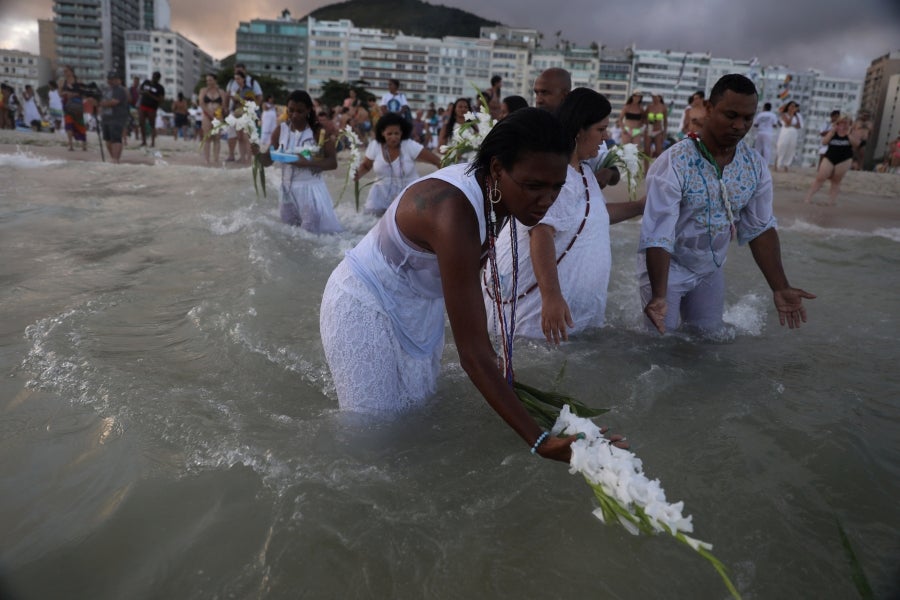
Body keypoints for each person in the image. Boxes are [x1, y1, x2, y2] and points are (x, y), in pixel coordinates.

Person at [319, 108, 617, 461]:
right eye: (534, 186)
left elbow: (472, 308)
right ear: (496, 169)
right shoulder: (452, 212)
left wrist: (500, 375)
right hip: (364, 302)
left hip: (419, 303)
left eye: (556, 187)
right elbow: (472, 353)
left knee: (414, 418)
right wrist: (541, 441)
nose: (546, 201)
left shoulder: (503, 195)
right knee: (373, 439)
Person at [639, 74, 815, 335]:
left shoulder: (754, 166)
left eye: (747, 118)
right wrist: (659, 296)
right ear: (709, 109)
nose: (739, 126)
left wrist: (780, 287)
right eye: (731, 115)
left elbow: (760, 229)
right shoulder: (674, 163)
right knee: (658, 349)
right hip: (667, 269)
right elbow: (658, 235)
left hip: (710, 268)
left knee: (709, 341)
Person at [484, 89, 644, 344]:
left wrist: (640, 207)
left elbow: (594, 217)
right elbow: (541, 233)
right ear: (580, 130)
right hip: (537, 315)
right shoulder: (560, 177)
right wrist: (551, 297)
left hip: (566, 315)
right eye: (600, 130)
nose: (605, 138)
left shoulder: (582, 171)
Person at [250, 90, 343, 234]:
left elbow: (332, 162)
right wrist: (257, 154)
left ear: (308, 110)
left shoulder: (318, 131)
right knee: (290, 236)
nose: (294, 115)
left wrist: (308, 163)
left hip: (310, 191)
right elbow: (268, 160)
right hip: (286, 191)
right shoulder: (280, 130)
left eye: (300, 111)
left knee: (311, 237)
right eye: (291, 110)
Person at [354, 112, 442, 217]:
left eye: (397, 133)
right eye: (389, 134)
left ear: (402, 133)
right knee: (368, 224)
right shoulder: (375, 145)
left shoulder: (410, 145)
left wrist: (442, 185)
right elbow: (366, 166)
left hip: (409, 194)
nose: (393, 137)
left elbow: (438, 161)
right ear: (382, 133)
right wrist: (357, 174)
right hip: (379, 194)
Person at [804, 114, 860, 206]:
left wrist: (848, 134)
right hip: (830, 156)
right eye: (841, 123)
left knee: (836, 180)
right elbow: (824, 142)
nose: (843, 125)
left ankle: (831, 202)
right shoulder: (833, 131)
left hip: (844, 158)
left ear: (850, 124)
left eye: (846, 123)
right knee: (820, 177)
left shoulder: (852, 132)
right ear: (838, 123)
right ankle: (808, 198)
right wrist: (832, 132)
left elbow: (856, 144)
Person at [225, 64, 263, 162]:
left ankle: (248, 158)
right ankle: (242, 157)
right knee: (240, 137)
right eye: (236, 78)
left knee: (246, 137)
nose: (237, 80)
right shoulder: (237, 88)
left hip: (246, 114)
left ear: (243, 78)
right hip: (238, 113)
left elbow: (252, 101)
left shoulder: (248, 88)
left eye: (238, 78)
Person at [98, 71, 129, 163]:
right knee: (107, 139)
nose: (111, 81)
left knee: (116, 138)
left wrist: (101, 104)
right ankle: (114, 158)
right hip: (106, 117)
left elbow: (115, 102)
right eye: (110, 79)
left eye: (113, 79)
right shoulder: (105, 90)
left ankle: (115, 158)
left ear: (118, 80)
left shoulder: (120, 90)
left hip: (117, 117)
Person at [59, 65, 87, 151]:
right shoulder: (62, 81)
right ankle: (70, 145)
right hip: (67, 105)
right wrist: (66, 93)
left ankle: (84, 144)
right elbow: (60, 93)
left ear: (71, 71)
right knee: (69, 124)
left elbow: (83, 92)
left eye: (66, 71)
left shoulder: (78, 81)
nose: (65, 73)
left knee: (80, 124)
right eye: (64, 71)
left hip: (77, 105)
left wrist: (74, 94)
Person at [198, 74, 224, 165]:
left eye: (210, 80)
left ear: (215, 80)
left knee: (217, 138)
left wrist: (217, 114)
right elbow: (201, 103)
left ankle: (216, 159)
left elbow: (223, 104)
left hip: (218, 115)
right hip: (206, 114)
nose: (208, 82)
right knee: (207, 137)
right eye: (207, 80)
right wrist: (210, 113)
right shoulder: (203, 90)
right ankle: (207, 159)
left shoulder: (220, 91)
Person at [138, 71, 165, 147]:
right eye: (153, 77)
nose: (154, 79)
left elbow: (161, 100)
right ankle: (144, 141)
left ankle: (152, 142)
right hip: (143, 105)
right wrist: (143, 93)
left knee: (152, 124)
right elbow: (139, 90)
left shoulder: (160, 88)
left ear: (158, 79)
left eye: (156, 78)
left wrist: (150, 95)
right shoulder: (146, 82)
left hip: (152, 107)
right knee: (141, 123)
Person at [775, 100, 803, 172]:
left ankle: (786, 165)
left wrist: (794, 116)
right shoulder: (784, 114)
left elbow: (798, 125)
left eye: (794, 106)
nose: (793, 108)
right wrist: (791, 114)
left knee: (791, 148)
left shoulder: (796, 116)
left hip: (793, 132)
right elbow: (787, 123)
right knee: (782, 146)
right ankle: (778, 164)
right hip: (785, 132)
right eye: (791, 106)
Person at [752, 102, 779, 166]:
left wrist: (762, 124)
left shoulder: (760, 114)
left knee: (758, 148)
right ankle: (765, 164)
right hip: (768, 133)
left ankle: (756, 163)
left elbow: (755, 124)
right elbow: (775, 125)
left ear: (764, 107)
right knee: (767, 148)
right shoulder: (773, 115)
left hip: (760, 132)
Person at [645, 94, 668, 158]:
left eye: (655, 97)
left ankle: (657, 166)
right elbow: (644, 117)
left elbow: (665, 121)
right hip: (650, 128)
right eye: (653, 97)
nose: (654, 98)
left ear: (660, 98)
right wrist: (649, 121)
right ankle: (646, 167)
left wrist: (664, 133)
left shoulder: (663, 107)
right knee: (647, 151)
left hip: (658, 130)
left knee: (658, 151)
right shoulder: (649, 106)